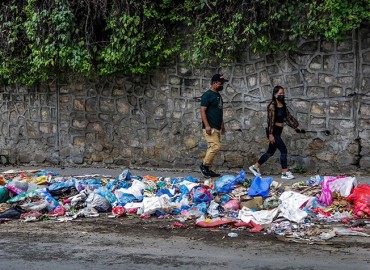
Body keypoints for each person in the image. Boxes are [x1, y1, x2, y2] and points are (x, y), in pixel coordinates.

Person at [249, 85, 304, 180]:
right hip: (273, 132)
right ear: (275, 95)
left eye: (283, 93)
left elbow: (288, 117)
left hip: (278, 132)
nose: (282, 95)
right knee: (283, 150)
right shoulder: (272, 106)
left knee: (270, 152)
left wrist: (296, 127)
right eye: (280, 94)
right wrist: (270, 135)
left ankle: (255, 167)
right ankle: (284, 172)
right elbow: (270, 122)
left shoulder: (283, 105)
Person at [199, 74, 228, 178]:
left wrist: (222, 125)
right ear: (214, 83)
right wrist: (207, 126)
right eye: (221, 83)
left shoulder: (218, 95)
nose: (222, 85)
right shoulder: (207, 95)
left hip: (217, 126)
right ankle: (203, 165)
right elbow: (202, 110)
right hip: (210, 127)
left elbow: (219, 112)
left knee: (211, 147)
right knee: (216, 146)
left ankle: (208, 169)